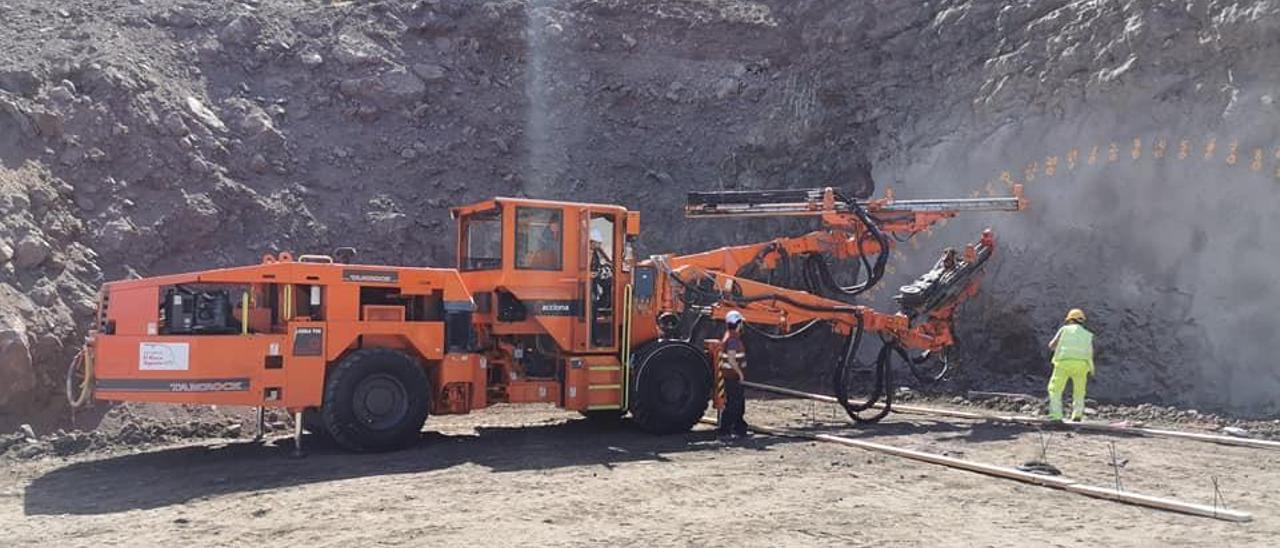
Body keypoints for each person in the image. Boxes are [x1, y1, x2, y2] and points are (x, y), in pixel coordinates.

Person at [1046, 308, 1095, 422]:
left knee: (1055, 389)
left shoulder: (1064, 329)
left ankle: (1056, 416)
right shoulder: (1087, 334)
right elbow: (1090, 352)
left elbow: (1052, 345)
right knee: (1079, 391)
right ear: (1082, 321)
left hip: (1064, 363)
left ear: (1070, 320)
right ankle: (1077, 414)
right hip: (1082, 364)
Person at [718, 310, 750, 439]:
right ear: (737, 323)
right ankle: (725, 430)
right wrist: (740, 374)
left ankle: (739, 427)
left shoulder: (729, 336)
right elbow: (731, 359)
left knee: (738, 402)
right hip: (732, 376)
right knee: (734, 403)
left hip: (730, 375)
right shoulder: (732, 339)